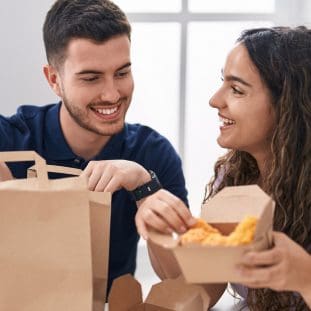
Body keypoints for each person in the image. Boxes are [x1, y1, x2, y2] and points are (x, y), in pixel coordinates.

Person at [0, 0, 195, 295]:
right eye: (91, 78)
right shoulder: (11, 139)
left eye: (122, 73)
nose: (112, 94)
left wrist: (145, 188)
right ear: (54, 79)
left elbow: (183, 280)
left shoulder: (152, 154)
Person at [144, 26, 311, 310]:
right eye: (223, 83)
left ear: (287, 105)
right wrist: (146, 195)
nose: (215, 100)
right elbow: (201, 286)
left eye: (236, 89)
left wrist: (304, 277)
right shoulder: (235, 178)